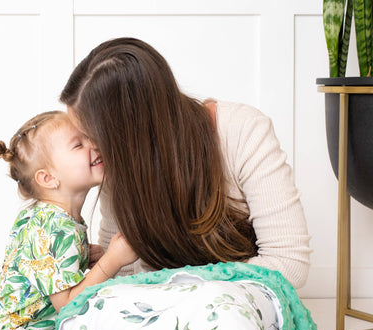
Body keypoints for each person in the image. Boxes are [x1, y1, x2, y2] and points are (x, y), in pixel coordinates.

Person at [60, 37, 311, 289]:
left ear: (131, 134)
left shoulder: (242, 130)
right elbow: (122, 274)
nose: (92, 151)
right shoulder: (118, 162)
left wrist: (179, 283)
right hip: (159, 304)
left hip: (238, 303)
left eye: (94, 137)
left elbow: (289, 265)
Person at [0, 110, 137, 330]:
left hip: (9, 329)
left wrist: (80, 258)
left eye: (89, 137)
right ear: (48, 178)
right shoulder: (55, 228)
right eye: (78, 144)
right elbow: (67, 306)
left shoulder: (50, 217)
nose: (94, 144)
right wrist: (113, 261)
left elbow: (43, 272)